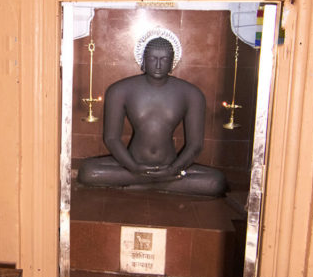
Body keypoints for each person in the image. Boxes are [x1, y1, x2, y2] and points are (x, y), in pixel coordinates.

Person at [77, 35, 226, 196]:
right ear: (143, 61)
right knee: (88, 171)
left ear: (172, 63)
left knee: (216, 181)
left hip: (170, 165)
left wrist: (174, 169)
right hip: (131, 164)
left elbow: (195, 144)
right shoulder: (120, 90)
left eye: (164, 59)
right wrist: (133, 167)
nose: (158, 65)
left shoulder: (191, 94)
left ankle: (144, 182)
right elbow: (111, 138)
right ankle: (159, 183)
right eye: (152, 58)